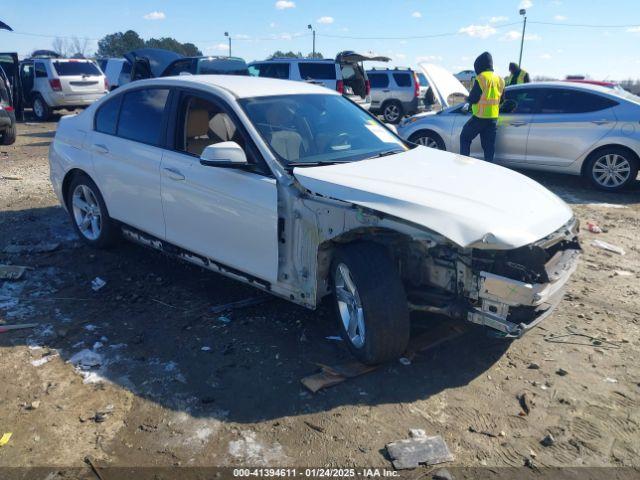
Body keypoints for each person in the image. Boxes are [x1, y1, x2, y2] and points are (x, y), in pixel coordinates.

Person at [459, 52, 505, 163]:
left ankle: (463, 164)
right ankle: (488, 170)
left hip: (479, 117)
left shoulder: (481, 78)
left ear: (479, 65)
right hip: (493, 119)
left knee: (464, 137)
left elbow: (474, 98)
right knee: (488, 147)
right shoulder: (500, 79)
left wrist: (467, 102)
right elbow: (502, 100)